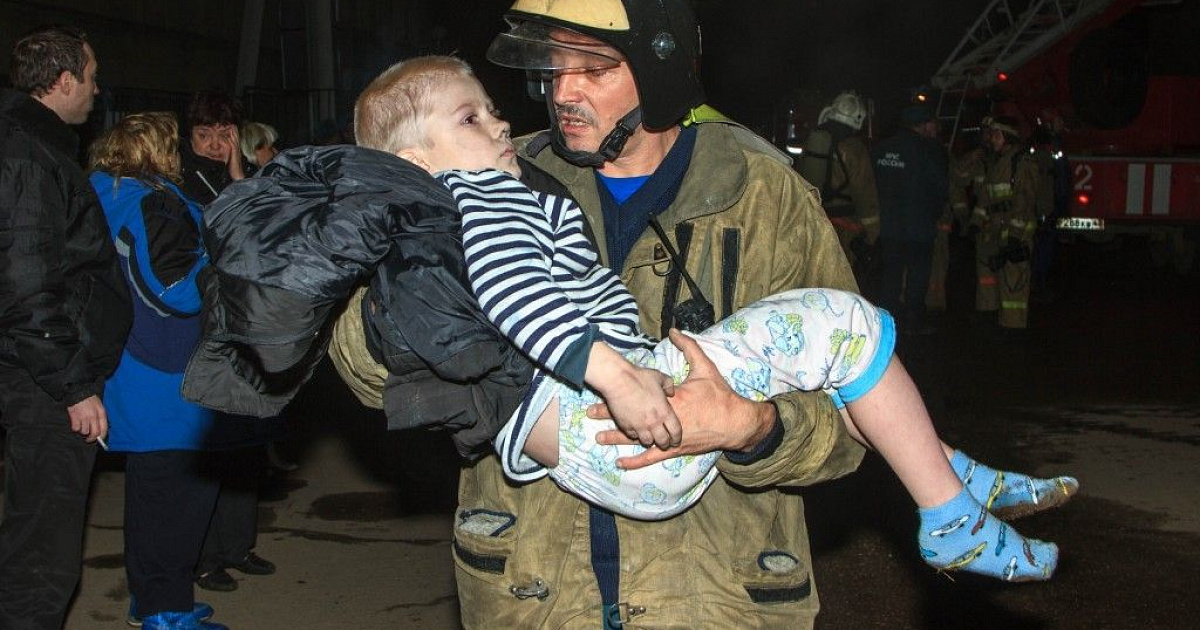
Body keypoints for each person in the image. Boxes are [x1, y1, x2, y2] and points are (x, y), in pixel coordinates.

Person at [369, 55, 1072, 583]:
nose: (559, 93)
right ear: (414, 160)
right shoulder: (493, 186)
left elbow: (837, 433)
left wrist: (752, 427)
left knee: (837, 356)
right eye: (552, 72)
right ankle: (949, 507)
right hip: (579, 503)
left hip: (689, 560)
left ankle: (945, 476)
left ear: (658, 64)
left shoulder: (764, 190)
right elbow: (495, 300)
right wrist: (603, 377)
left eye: (593, 69)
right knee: (846, 326)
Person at [0, 26, 132, 630]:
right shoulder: (27, 154)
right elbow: (26, 285)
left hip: (42, 374)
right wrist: (73, 386)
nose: (96, 90)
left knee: (38, 536)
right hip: (44, 384)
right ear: (63, 81)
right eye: (91, 77)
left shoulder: (34, 145)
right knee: (42, 554)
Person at [88, 112, 229, 630]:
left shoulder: (105, 195)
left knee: (152, 496)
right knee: (173, 499)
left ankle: (153, 598)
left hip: (134, 362)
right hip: (165, 370)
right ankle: (164, 611)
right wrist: (218, 266)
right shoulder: (152, 202)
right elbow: (176, 290)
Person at [872, 105, 949, 335]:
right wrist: (934, 214)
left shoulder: (881, 149)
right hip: (919, 227)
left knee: (891, 276)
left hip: (889, 226)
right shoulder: (930, 150)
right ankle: (913, 323)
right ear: (923, 124)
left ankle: (883, 327)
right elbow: (941, 188)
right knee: (917, 276)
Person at [797, 91, 882, 277]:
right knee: (841, 276)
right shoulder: (854, 148)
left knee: (814, 272)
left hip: (813, 220)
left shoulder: (813, 139)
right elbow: (865, 193)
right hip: (844, 226)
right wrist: (873, 233)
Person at [968, 116, 1039, 329]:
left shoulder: (1022, 163)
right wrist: (975, 222)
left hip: (1015, 230)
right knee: (993, 275)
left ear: (1008, 137)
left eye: (996, 135)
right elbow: (986, 198)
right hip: (995, 229)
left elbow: (1024, 202)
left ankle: (1013, 327)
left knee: (1013, 282)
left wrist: (1015, 237)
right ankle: (993, 317)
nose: (992, 139)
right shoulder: (996, 161)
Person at [178, 90, 246, 206]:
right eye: (203, 136)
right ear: (190, 136)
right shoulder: (178, 179)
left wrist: (239, 179)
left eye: (225, 136)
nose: (215, 146)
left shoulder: (254, 176)